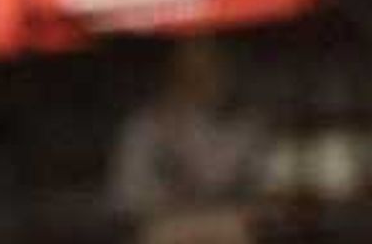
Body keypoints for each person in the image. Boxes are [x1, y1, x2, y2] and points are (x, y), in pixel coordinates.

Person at [107, 35, 269, 218]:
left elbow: (261, 189)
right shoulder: (143, 129)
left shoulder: (245, 128)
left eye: (212, 67)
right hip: (163, 234)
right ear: (174, 74)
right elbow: (126, 198)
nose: (204, 80)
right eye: (192, 71)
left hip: (229, 231)